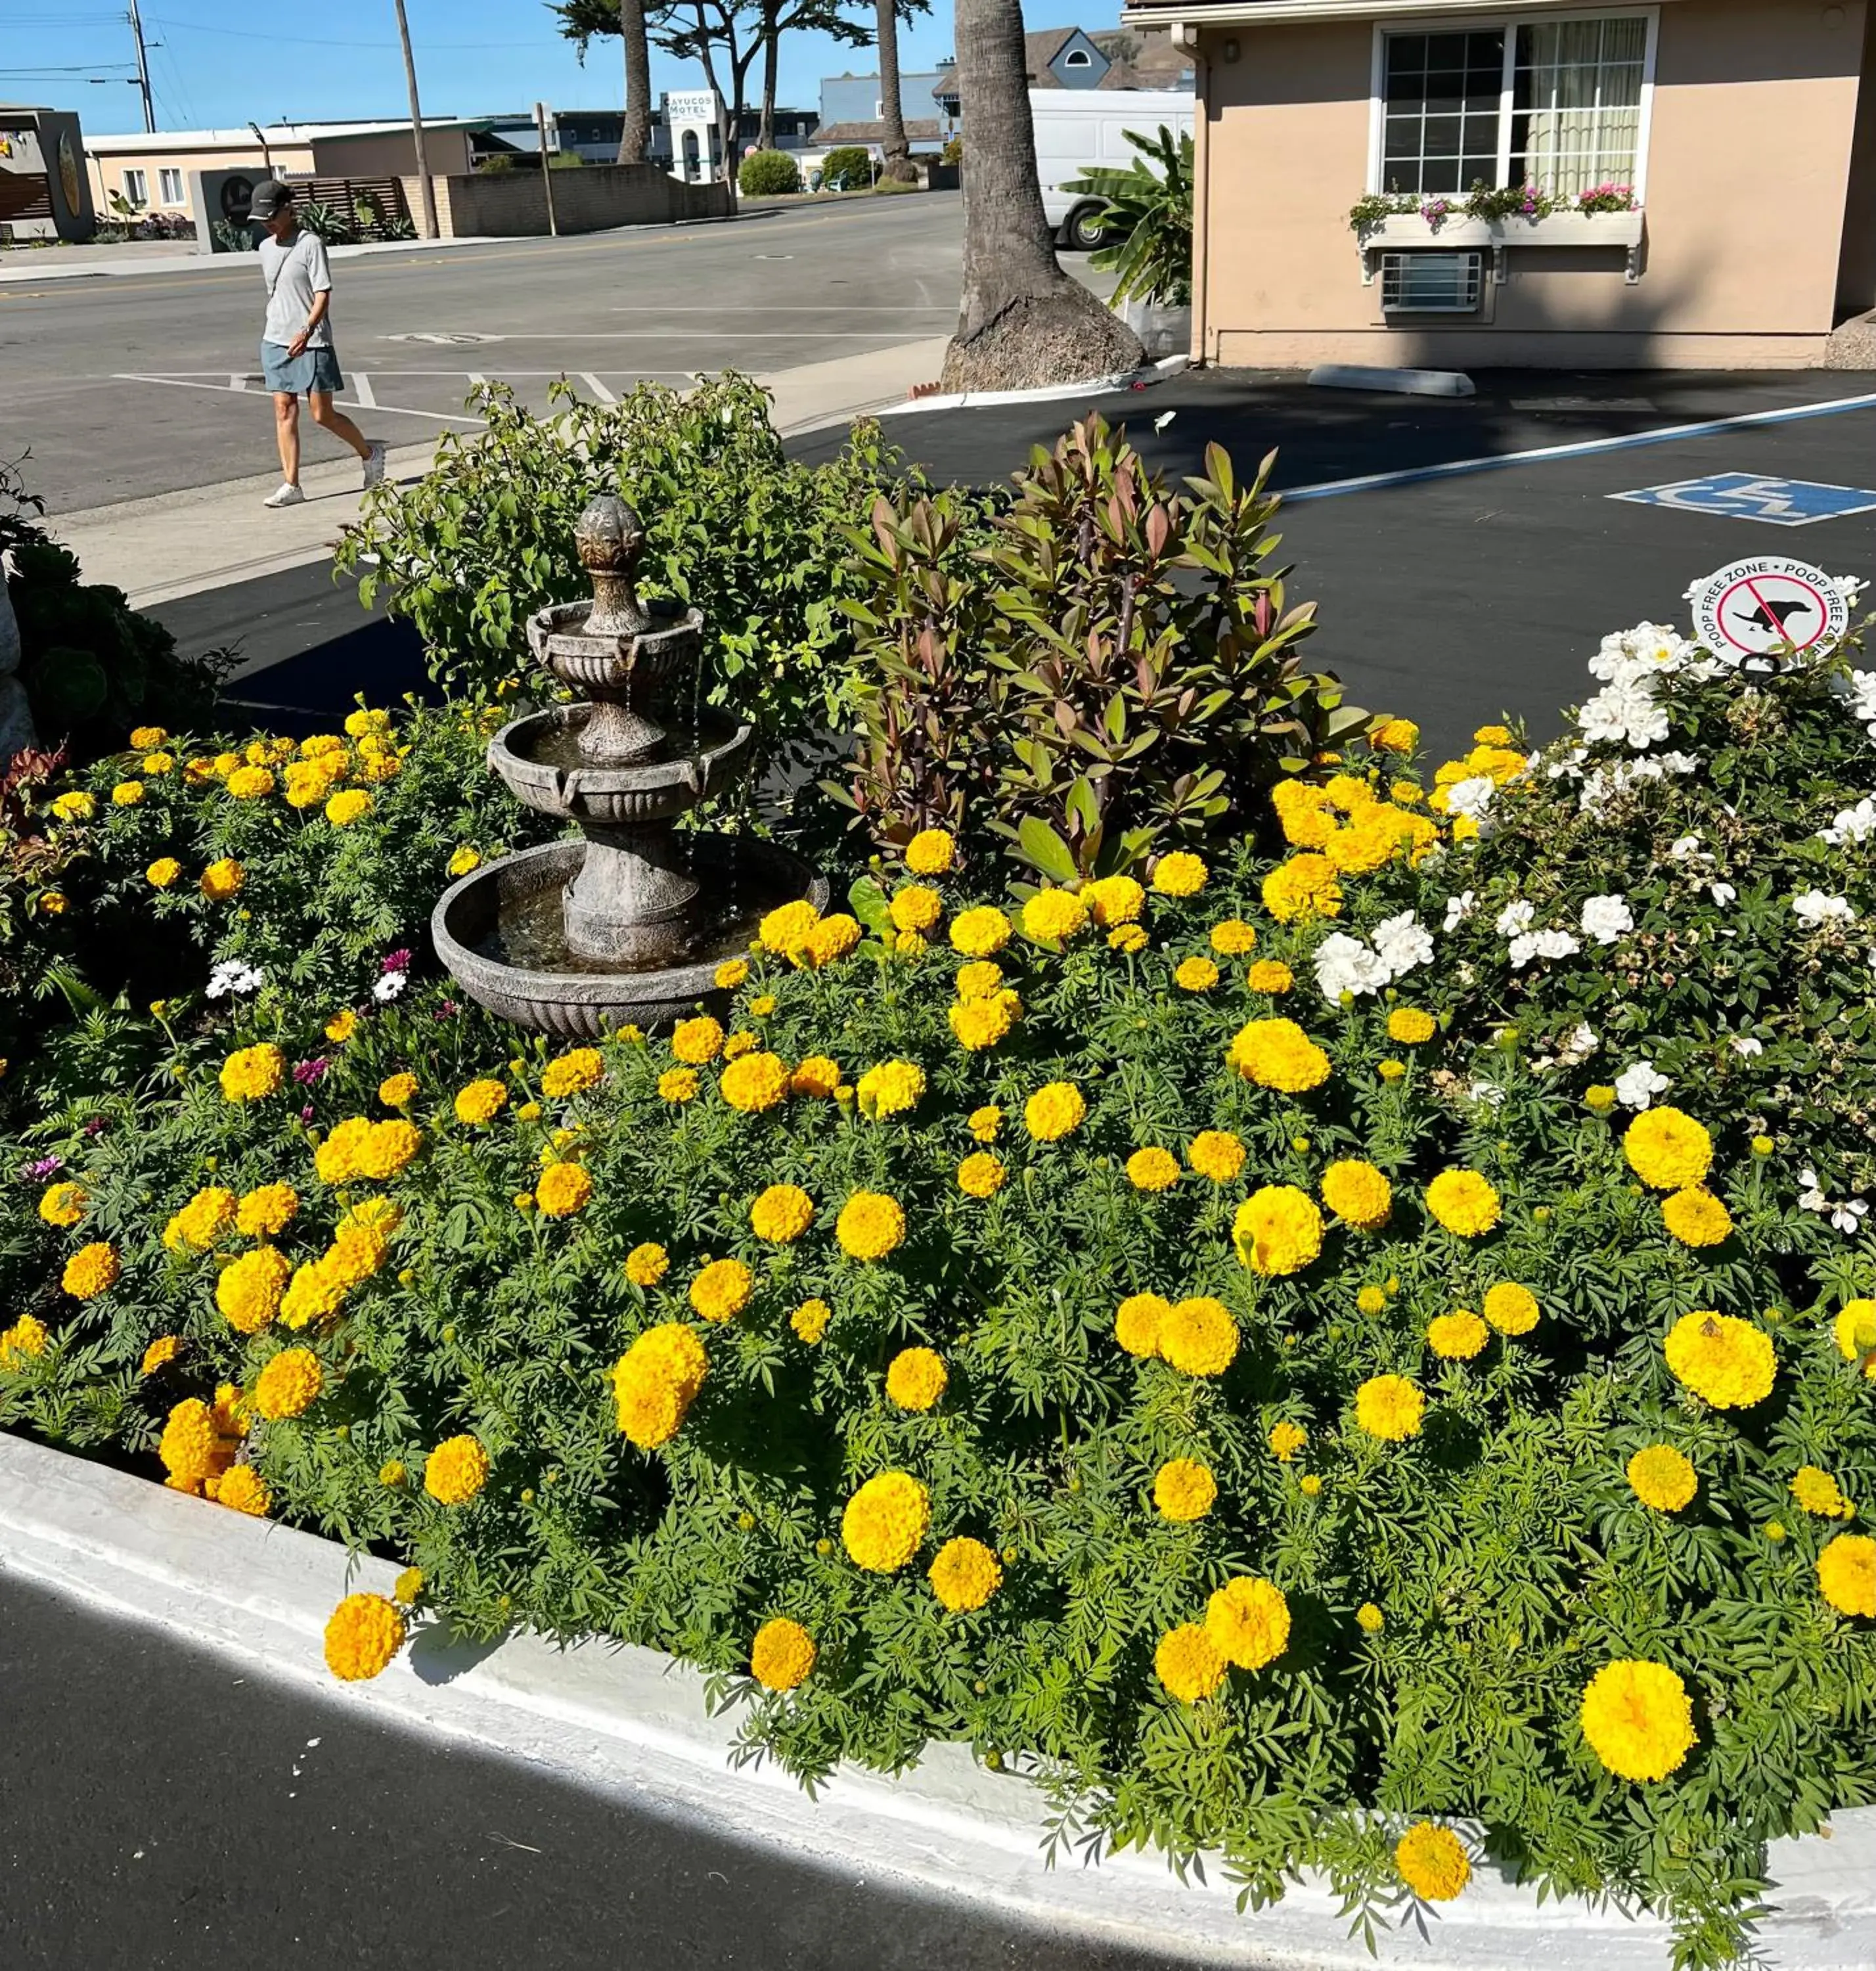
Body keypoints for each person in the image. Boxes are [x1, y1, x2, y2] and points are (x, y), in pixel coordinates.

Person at [250, 177, 385, 510]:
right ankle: (291, 484)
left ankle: (370, 454)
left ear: (289, 209)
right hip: (275, 338)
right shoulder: (265, 248)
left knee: (322, 414)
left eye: (272, 215)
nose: (267, 223)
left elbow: (322, 293)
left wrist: (306, 331)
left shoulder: (311, 244)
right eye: (261, 218)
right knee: (284, 409)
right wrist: (283, 331)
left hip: (311, 340)